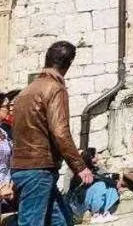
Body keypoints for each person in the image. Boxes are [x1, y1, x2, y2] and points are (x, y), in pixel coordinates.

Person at [11, 40, 93, 226]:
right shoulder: (55, 88)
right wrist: (80, 166)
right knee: (32, 223)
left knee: (62, 221)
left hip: (24, 168)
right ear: (68, 64)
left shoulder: (25, 92)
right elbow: (60, 132)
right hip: (38, 169)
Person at [65, 149, 119, 224]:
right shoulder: (74, 170)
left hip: (89, 198)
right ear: (89, 157)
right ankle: (96, 215)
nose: (98, 158)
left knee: (110, 187)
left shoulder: (96, 168)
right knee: (100, 185)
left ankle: (104, 212)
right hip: (77, 202)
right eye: (95, 156)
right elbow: (67, 190)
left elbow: (107, 177)